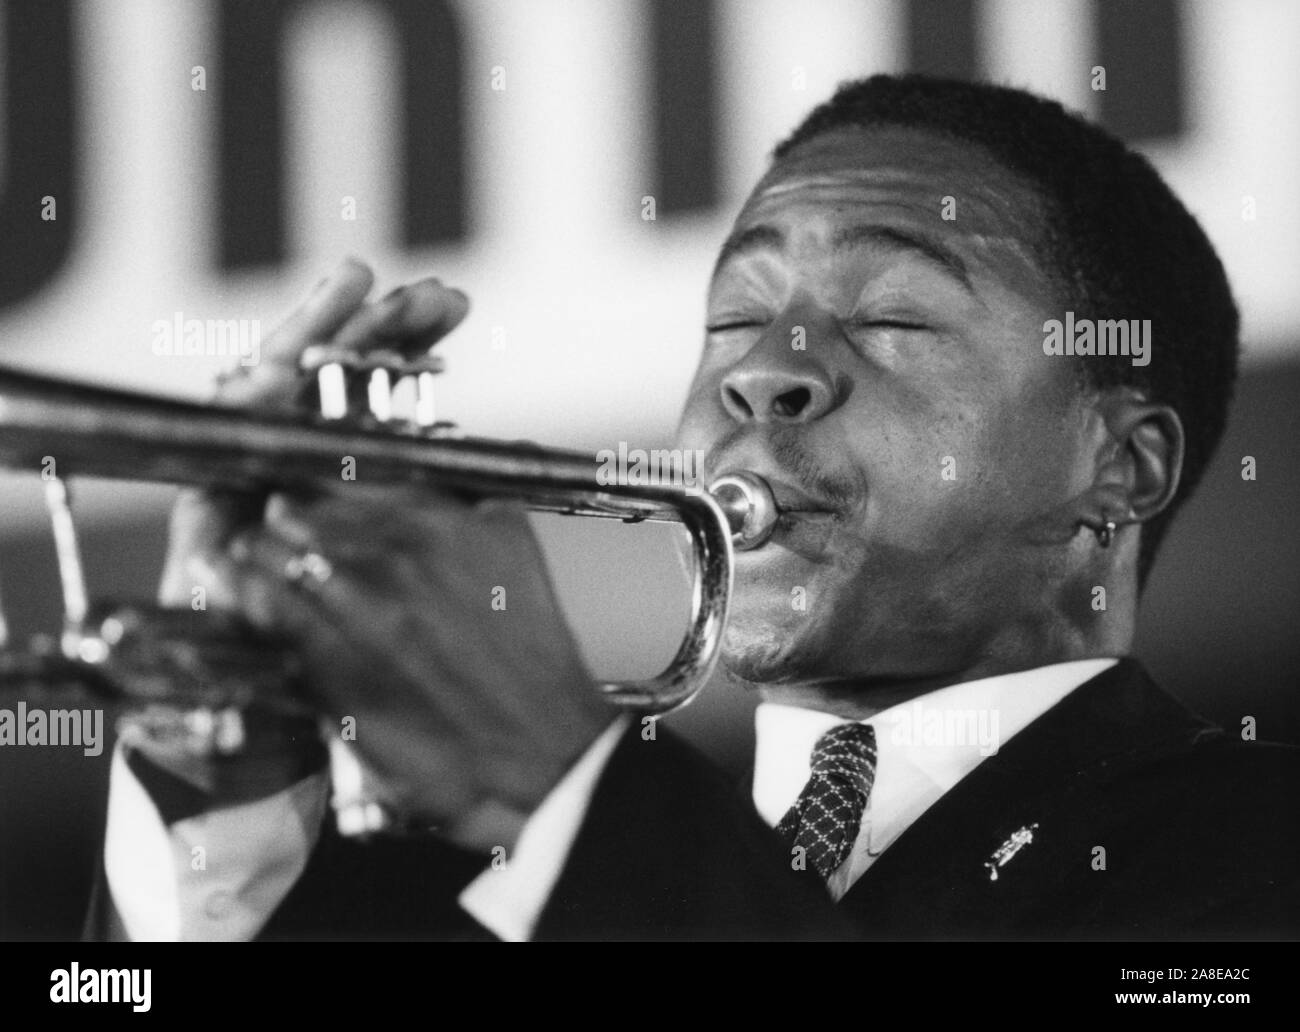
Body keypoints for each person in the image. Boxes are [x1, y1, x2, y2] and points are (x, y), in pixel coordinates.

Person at [94, 74, 1298, 941]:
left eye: (891, 317)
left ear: (1120, 467)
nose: (762, 371)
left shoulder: (1247, 850)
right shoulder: (490, 885)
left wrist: (553, 783)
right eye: (734, 318)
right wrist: (220, 797)